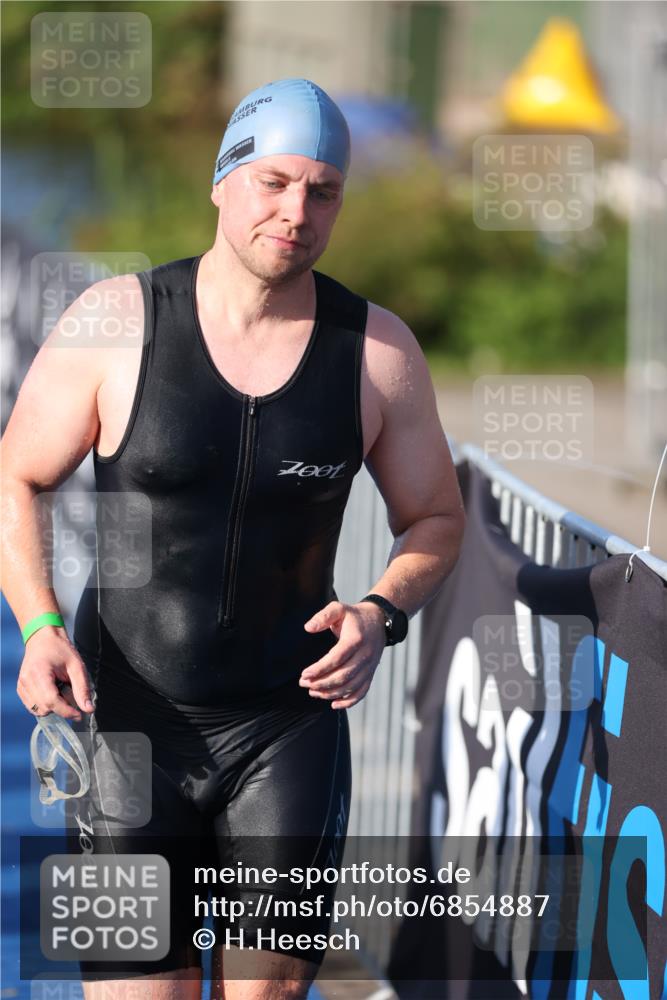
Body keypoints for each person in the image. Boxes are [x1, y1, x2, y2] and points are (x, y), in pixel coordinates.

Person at [1, 78, 465, 999]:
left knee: (272, 993)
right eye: (275, 182)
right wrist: (38, 624)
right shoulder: (115, 324)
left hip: (284, 726)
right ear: (224, 181)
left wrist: (381, 610)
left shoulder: (375, 353)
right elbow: (18, 475)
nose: (297, 211)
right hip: (126, 722)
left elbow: (436, 518)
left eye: (323, 191)